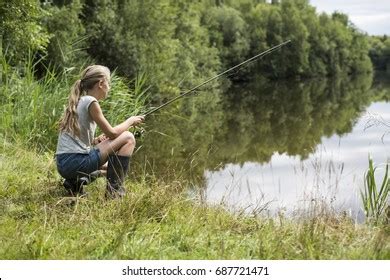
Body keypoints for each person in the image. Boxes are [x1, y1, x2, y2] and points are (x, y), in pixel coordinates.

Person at [55, 65, 144, 197]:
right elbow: (112, 133)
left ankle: (76, 183)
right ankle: (114, 195)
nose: (109, 87)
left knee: (112, 167)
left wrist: (96, 140)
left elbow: (78, 140)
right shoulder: (91, 102)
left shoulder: (80, 101)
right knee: (128, 137)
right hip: (74, 162)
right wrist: (130, 121)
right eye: (109, 83)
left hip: (64, 164)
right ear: (101, 84)